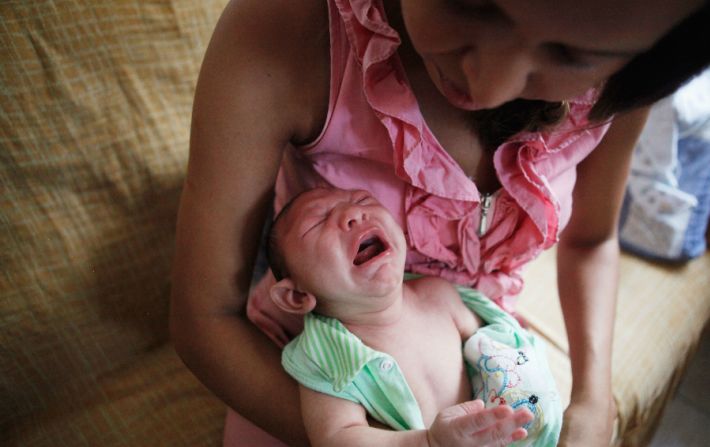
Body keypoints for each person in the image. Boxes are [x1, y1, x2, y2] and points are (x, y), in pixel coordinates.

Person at [169, 0, 710, 445]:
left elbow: (591, 239)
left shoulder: (628, 72)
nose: (491, 85)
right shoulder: (293, 30)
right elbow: (205, 317)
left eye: (572, 55)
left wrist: (595, 398)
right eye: (471, 7)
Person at [266, 186, 562, 447]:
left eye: (364, 199)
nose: (354, 213)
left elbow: (502, 350)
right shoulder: (326, 357)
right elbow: (337, 437)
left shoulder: (440, 296)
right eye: (318, 222)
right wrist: (427, 443)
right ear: (297, 296)